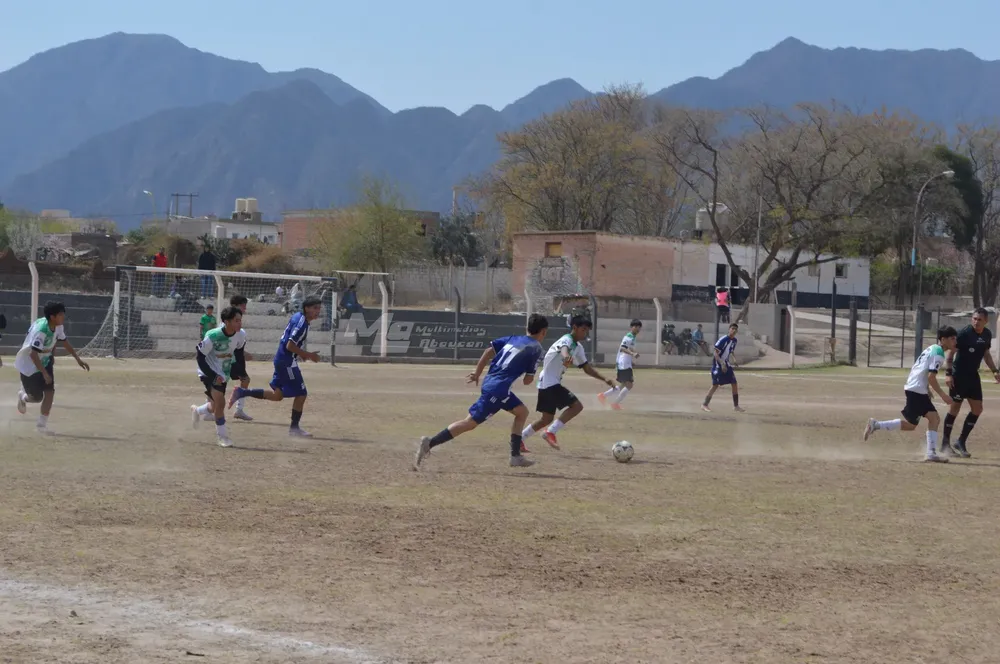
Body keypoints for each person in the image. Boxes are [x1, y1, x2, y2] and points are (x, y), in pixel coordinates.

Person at [414, 314, 549, 470]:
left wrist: (477, 373)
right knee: (470, 423)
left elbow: (488, 351)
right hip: (498, 390)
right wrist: (530, 371)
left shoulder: (512, 338)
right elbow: (527, 381)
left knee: (522, 412)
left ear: (527, 328)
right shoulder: (537, 348)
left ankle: (515, 456)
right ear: (544, 332)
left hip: (491, 383)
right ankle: (429, 443)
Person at [228, 296, 322, 437]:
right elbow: (290, 345)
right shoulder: (302, 323)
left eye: (319, 308)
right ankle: (294, 429)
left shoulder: (298, 317)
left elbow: (290, 343)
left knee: (277, 395)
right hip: (287, 362)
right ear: (306, 308)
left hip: (282, 359)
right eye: (315, 308)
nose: (318, 311)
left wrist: (301, 354)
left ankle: (242, 392)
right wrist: (308, 355)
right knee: (301, 394)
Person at [864, 326, 958, 463]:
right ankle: (931, 453)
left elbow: (921, 369)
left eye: (955, 338)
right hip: (916, 389)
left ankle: (876, 425)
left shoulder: (932, 348)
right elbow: (932, 376)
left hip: (915, 387)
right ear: (943, 339)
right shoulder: (939, 354)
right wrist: (943, 395)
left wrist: (926, 388)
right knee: (934, 418)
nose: (955, 341)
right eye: (952, 338)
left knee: (912, 425)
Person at [521, 315, 616, 449]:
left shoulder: (578, 347)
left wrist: (605, 379)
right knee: (576, 406)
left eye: (587, 330)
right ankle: (550, 432)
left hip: (548, 382)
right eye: (583, 329)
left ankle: (520, 438)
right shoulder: (566, 339)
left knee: (546, 419)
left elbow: (587, 368)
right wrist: (566, 357)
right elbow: (564, 349)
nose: (585, 333)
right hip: (550, 382)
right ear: (574, 328)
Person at [15, 301, 91, 433]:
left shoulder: (58, 326)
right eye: (61, 315)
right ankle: (22, 396)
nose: (63, 317)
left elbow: (63, 342)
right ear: (52, 317)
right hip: (29, 365)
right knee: (36, 398)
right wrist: (44, 373)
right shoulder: (42, 331)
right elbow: (33, 354)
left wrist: (78, 359)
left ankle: (41, 426)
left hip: (44, 360)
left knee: (50, 392)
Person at [940, 307, 1000, 458]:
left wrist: (995, 371)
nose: (976, 322)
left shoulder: (987, 334)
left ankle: (960, 441)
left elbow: (986, 355)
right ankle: (945, 444)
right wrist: (948, 374)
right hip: (959, 376)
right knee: (954, 410)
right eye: (974, 318)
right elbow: (950, 354)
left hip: (973, 377)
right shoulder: (964, 334)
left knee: (977, 409)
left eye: (980, 320)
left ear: (986, 321)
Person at [190, 306, 245, 447]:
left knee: (215, 406)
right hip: (208, 372)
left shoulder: (240, 335)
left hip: (223, 373)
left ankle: (197, 410)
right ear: (226, 321)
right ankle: (223, 437)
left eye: (240, 320)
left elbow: (238, 354)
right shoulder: (213, 336)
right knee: (220, 403)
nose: (240, 323)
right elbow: (200, 357)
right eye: (236, 320)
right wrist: (213, 376)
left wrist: (240, 372)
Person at [598, 319, 641, 410]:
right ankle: (614, 403)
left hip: (625, 363)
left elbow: (629, 348)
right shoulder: (628, 337)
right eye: (636, 327)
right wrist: (633, 354)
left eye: (639, 327)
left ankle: (603, 396)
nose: (638, 329)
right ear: (631, 327)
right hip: (623, 363)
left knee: (623, 385)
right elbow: (622, 348)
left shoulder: (633, 337)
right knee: (629, 385)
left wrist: (631, 360)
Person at [702, 323, 745, 413]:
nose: (734, 330)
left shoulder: (734, 341)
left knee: (734, 383)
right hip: (718, 364)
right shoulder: (723, 339)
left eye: (735, 329)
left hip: (726, 364)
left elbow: (731, 350)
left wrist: (734, 360)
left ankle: (736, 406)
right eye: (732, 328)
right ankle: (705, 404)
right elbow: (715, 352)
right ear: (729, 329)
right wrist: (721, 363)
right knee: (715, 385)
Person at [228, 295, 255, 421]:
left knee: (244, 380)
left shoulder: (239, 328)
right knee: (218, 383)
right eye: (243, 305)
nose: (245, 308)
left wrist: (244, 353)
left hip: (236, 358)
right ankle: (204, 409)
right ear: (235, 306)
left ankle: (239, 410)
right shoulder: (227, 323)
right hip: (229, 359)